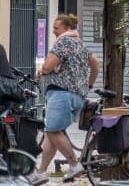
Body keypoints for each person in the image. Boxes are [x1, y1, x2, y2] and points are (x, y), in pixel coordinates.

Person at [32, 14, 99, 186]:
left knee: (53, 131)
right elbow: (95, 63)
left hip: (61, 93)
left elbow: (48, 66)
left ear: (66, 28)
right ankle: (40, 173)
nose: (54, 31)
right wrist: (89, 85)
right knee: (51, 134)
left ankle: (74, 164)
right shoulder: (80, 44)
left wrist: (42, 71)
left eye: (56, 28)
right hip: (76, 95)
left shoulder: (63, 43)